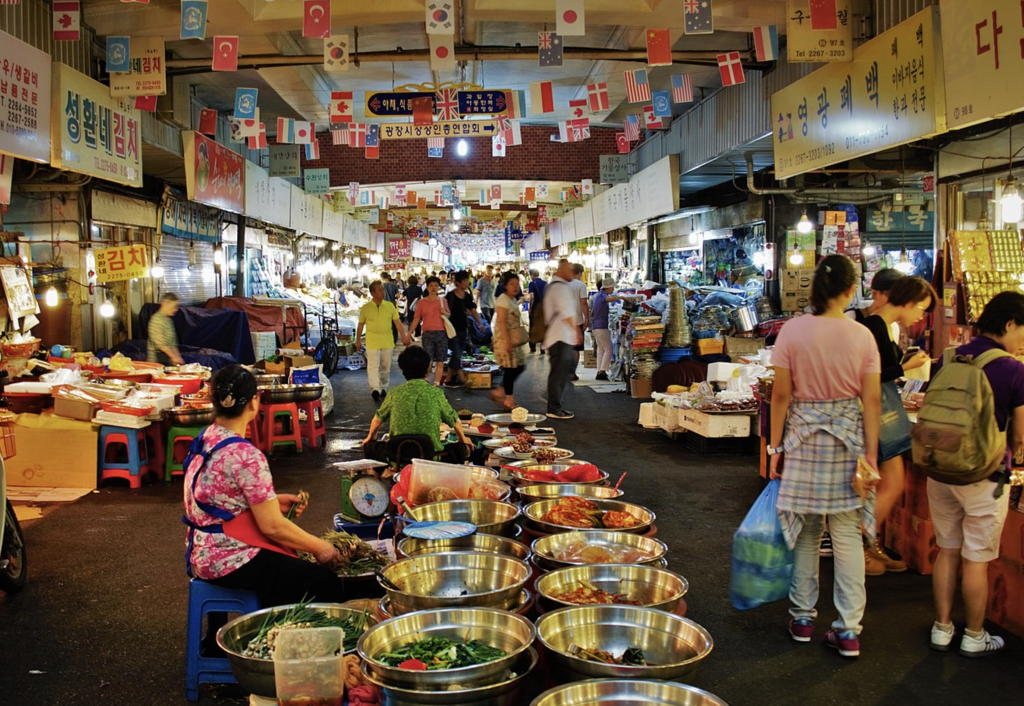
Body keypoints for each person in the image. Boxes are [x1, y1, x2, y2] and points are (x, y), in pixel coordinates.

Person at [769, 254, 881, 659]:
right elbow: (871, 399)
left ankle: (802, 619)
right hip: (849, 442)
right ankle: (848, 630)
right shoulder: (863, 336)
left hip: (801, 440)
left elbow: (781, 395)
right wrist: (871, 455)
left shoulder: (792, 331)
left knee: (808, 533)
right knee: (847, 533)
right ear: (851, 291)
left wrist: (774, 448)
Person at [183, 365, 344, 607]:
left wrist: (272, 501)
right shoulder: (246, 455)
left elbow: (220, 498)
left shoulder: (206, 438)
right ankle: (277, 637)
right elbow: (273, 527)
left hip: (200, 552)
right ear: (253, 403)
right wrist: (321, 548)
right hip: (230, 559)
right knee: (321, 580)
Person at [927, 291, 1024, 657]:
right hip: (985, 475)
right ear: (1011, 323)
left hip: (941, 470)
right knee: (976, 559)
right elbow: (1019, 435)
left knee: (947, 551)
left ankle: (941, 627)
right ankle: (974, 634)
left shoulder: (949, 357)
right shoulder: (1013, 369)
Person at [859, 275, 935, 574]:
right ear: (907, 300)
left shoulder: (882, 326)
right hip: (873, 413)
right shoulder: (873, 326)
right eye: (921, 307)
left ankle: (868, 544)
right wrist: (907, 366)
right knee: (882, 482)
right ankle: (859, 546)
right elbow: (869, 375)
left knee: (884, 482)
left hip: (882, 410)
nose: (920, 316)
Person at [361, 346, 473, 463]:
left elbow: (377, 420)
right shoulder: (435, 393)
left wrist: (370, 437)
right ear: (427, 369)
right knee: (461, 448)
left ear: (403, 370)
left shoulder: (394, 393)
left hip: (396, 456)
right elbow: (455, 420)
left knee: (369, 446)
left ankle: (380, 473)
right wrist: (462, 439)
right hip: (431, 456)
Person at [355, 280, 410, 401]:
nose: (383, 292)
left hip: (387, 341)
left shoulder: (390, 306)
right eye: (380, 290)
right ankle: (375, 388)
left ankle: (383, 387)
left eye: (382, 290)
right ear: (373, 293)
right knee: (373, 366)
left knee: (385, 367)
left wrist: (404, 336)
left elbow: (397, 323)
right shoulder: (366, 308)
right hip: (372, 341)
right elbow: (360, 325)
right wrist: (358, 340)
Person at [543, 259, 583, 420]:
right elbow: (566, 313)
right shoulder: (559, 288)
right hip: (559, 337)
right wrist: (576, 331)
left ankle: (556, 405)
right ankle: (553, 408)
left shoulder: (559, 286)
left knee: (561, 373)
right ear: (561, 270)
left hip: (560, 337)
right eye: (569, 269)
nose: (572, 273)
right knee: (558, 374)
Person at [490, 271, 529, 411]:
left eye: (517, 283)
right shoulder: (503, 299)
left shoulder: (512, 299)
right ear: (505, 286)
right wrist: (506, 342)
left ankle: (500, 391)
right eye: (511, 284)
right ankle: (508, 399)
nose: (515, 286)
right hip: (504, 339)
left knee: (519, 366)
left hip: (513, 339)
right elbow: (501, 322)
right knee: (510, 369)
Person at [443, 271, 484, 388]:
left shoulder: (467, 296)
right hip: (452, 330)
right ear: (458, 283)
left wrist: (480, 324)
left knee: (458, 354)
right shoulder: (450, 296)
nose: (468, 282)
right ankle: (463, 380)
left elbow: (473, 311)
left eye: (468, 280)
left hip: (463, 329)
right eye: (465, 280)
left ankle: (448, 379)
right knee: (456, 353)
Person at [407, 276, 448, 387]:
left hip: (441, 333)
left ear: (439, 287)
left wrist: (444, 312)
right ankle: (426, 380)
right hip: (427, 334)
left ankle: (436, 384)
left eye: (436, 285)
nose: (433, 288)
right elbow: (416, 318)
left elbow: (449, 316)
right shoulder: (422, 302)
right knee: (428, 360)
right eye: (431, 285)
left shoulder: (443, 301)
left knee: (440, 361)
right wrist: (410, 332)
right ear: (427, 288)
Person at [591, 278, 633, 381]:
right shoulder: (602, 296)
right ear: (608, 288)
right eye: (612, 288)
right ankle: (602, 371)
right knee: (608, 349)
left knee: (601, 349)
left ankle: (600, 371)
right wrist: (621, 297)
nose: (613, 289)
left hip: (597, 326)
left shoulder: (598, 296)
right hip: (600, 326)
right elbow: (608, 299)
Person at [148, 292, 184, 365]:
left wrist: (177, 356)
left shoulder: (168, 320)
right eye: (174, 306)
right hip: (157, 362)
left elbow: (173, 343)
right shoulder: (156, 320)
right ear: (164, 304)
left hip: (168, 361)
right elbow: (161, 345)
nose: (176, 309)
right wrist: (174, 357)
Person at [568, 263, 589, 381]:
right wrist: (587, 318)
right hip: (576, 320)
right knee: (575, 348)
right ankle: (572, 373)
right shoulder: (581, 285)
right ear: (580, 273)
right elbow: (584, 303)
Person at [527, 269, 547, 354]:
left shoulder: (532, 283)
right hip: (544, 308)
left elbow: (531, 296)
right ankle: (543, 347)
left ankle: (533, 347)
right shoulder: (545, 283)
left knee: (533, 327)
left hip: (535, 308)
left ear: (532, 275)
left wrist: (530, 308)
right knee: (543, 326)